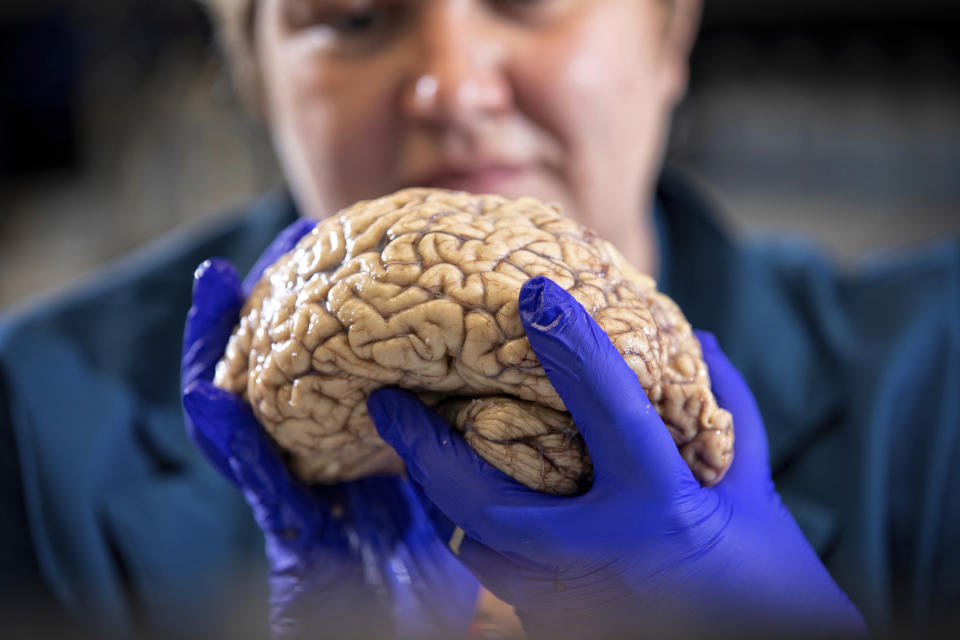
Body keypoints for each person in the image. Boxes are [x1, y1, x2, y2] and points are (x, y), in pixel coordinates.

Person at [1, 0, 957, 637]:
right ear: (259, 78)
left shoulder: (938, 383)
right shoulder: (37, 429)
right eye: (354, 15)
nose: (452, 87)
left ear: (669, 33)